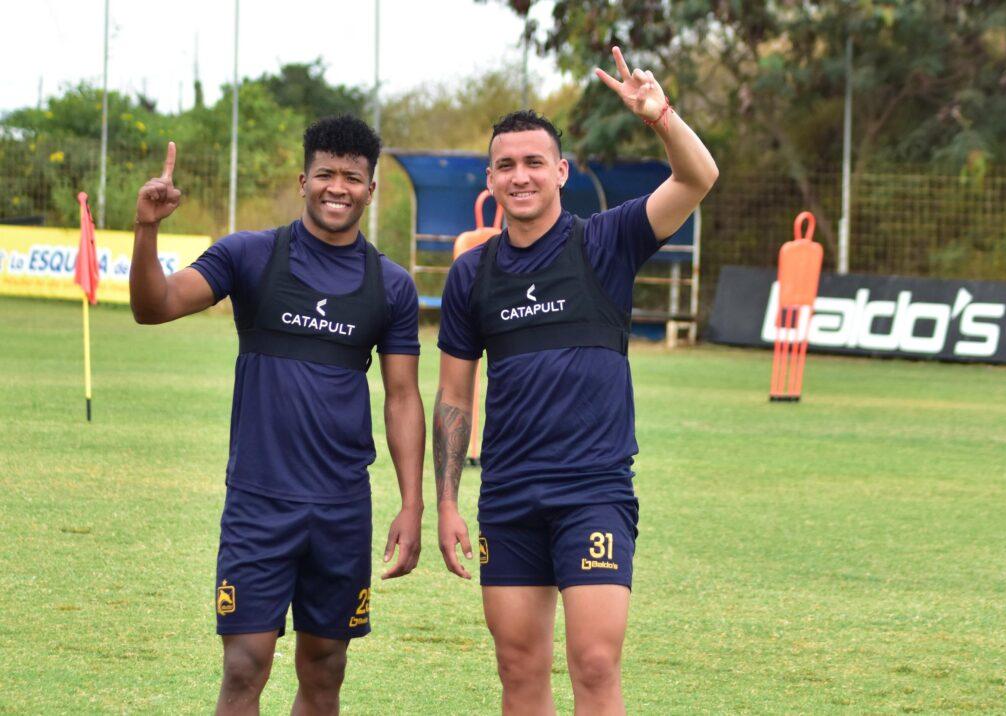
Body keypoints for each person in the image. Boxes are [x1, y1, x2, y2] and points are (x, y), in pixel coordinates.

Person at [432, 47, 718, 715]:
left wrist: (662, 115)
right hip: (507, 496)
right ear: (492, 178)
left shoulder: (606, 241)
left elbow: (699, 177)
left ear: (560, 171)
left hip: (593, 491)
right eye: (506, 164)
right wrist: (447, 501)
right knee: (519, 669)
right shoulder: (471, 275)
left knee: (594, 663)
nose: (521, 175)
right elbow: (452, 397)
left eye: (535, 162)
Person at [129, 115, 424, 715]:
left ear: (371, 189)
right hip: (259, 503)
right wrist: (145, 229)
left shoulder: (391, 286)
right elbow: (152, 307)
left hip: (341, 510)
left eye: (351, 177)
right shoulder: (250, 256)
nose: (336, 188)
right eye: (324, 174)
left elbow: (401, 397)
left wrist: (412, 502)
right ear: (302, 179)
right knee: (244, 665)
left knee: (325, 668)